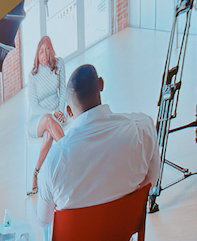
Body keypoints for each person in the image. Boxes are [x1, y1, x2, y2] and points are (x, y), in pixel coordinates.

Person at [36, 65, 161, 230]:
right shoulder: (142, 127)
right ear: (101, 84)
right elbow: (151, 181)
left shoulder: (54, 161)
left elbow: (44, 219)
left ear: (69, 110)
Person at [26, 36, 68, 195]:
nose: (44, 55)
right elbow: (34, 107)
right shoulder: (33, 76)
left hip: (55, 116)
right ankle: (70, 155)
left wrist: (61, 111)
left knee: (49, 136)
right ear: (37, 54)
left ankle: (35, 174)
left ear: (51, 52)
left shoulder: (59, 64)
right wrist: (52, 113)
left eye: (47, 51)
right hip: (37, 120)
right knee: (48, 121)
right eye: (41, 52)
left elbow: (63, 92)